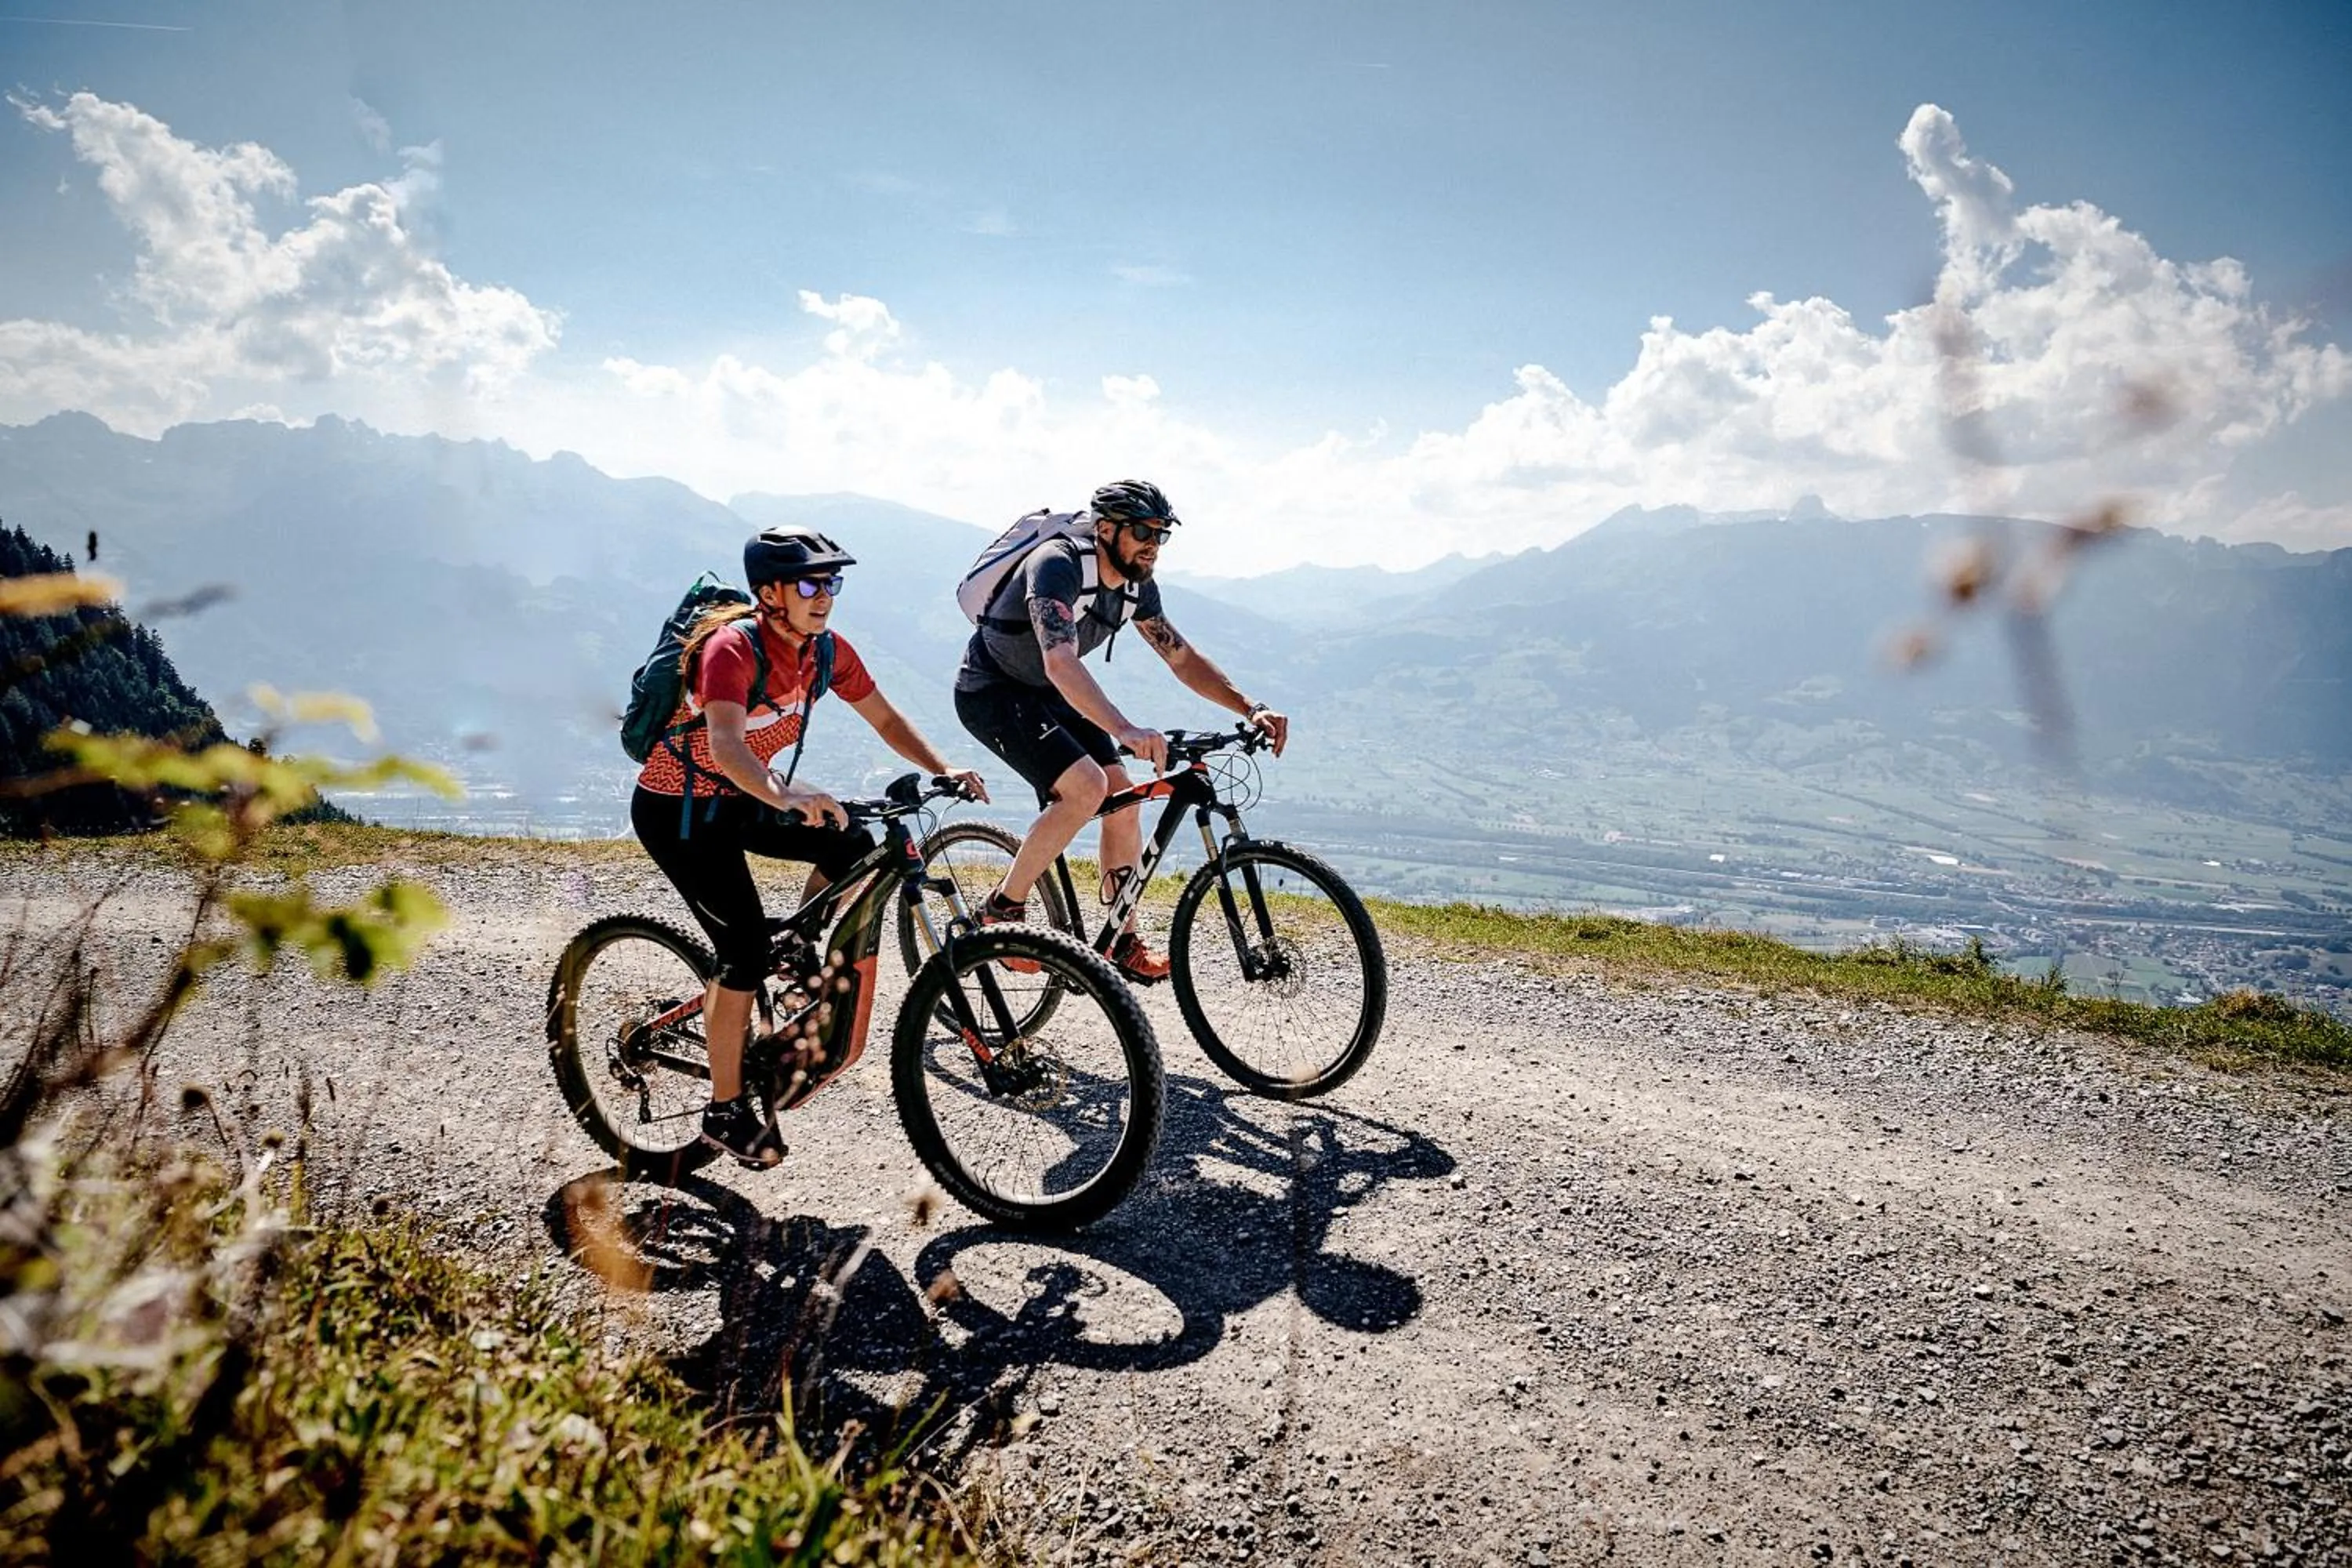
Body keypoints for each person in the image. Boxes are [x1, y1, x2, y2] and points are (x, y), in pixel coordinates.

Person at [633, 525, 989, 1167]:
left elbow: (883, 716)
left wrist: (941, 767)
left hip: (745, 797)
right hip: (680, 811)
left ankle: (797, 945)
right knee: (740, 947)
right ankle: (725, 1108)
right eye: (809, 583)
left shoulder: (825, 650)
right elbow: (726, 747)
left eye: (832, 583)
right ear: (769, 592)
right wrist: (787, 795)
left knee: (852, 846)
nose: (824, 595)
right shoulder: (730, 650)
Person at [953, 480, 1287, 981]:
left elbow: (1180, 656)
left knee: (1124, 799)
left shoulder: (1137, 585)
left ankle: (1120, 937)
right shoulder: (1058, 562)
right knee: (1084, 789)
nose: (1152, 544)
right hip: (993, 691)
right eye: (1141, 531)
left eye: (1161, 534)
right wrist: (1125, 729)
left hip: (1049, 692)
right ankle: (1001, 909)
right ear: (1106, 529)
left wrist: (1249, 706)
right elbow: (1061, 661)